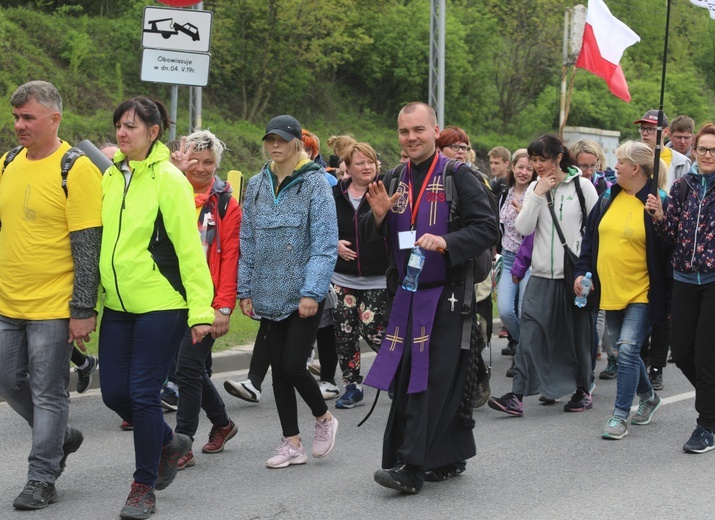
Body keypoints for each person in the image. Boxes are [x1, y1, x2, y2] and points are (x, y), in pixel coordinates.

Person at [362, 102, 498, 494]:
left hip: (447, 296)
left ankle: (412, 466)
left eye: (419, 130)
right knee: (410, 377)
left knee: (429, 380)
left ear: (435, 130)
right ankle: (448, 455)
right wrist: (379, 218)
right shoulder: (393, 178)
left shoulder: (459, 176)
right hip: (406, 295)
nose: (411, 138)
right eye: (404, 132)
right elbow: (376, 243)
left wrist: (447, 241)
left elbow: (487, 227)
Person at [98, 97, 215, 519]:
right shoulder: (111, 176)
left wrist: (201, 311)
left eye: (131, 126)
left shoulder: (169, 179)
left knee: (143, 394)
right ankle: (169, 442)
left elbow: (189, 249)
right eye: (118, 126)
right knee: (113, 393)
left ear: (153, 132)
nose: (122, 133)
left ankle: (142, 486)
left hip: (162, 303)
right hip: (118, 304)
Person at [0, 80, 102, 511]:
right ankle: (61, 436)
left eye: (29, 118)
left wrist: (81, 309)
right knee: (6, 381)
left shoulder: (75, 168)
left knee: (48, 393)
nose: (19, 125)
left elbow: (87, 244)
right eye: (16, 117)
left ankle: (42, 476)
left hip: (52, 306)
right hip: (7, 301)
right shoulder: (7, 162)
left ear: (54, 119)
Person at [238, 114, 339, 469]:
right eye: (270, 140)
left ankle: (324, 418)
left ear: (298, 141)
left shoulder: (316, 183)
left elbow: (325, 244)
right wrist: (244, 288)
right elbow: (247, 239)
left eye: (282, 139)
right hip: (267, 292)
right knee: (278, 371)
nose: (275, 145)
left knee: (294, 365)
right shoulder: (256, 184)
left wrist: (312, 291)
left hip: (303, 295)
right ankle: (291, 442)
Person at [488, 134, 598, 417]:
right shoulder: (535, 187)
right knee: (530, 334)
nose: (537, 165)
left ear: (558, 158)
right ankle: (516, 396)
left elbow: (595, 232)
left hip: (573, 276)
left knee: (576, 336)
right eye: (534, 159)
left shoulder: (583, 187)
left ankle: (582, 390)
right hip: (540, 274)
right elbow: (523, 228)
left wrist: (588, 273)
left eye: (542, 159)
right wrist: (537, 195)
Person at [575, 141, 670, 440]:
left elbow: (669, 250)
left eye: (620, 162)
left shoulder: (658, 201)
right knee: (622, 351)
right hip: (609, 289)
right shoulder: (607, 196)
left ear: (636, 168)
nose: (614, 167)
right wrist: (581, 272)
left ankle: (619, 415)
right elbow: (590, 240)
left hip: (642, 291)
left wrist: (660, 219)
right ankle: (649, 397)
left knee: (628, 349)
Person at [167, 130, 241, 471]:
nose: (200, 167)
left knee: (187, 368)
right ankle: (223, 423)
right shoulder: (170, 190)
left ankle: (182, 443)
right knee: (187, 369)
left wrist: (222, 308)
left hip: (206, 300)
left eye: (208, 162)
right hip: (168, 295)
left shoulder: (226, 202)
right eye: (194, 160)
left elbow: (230, 258)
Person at [646, 123, 715, 454]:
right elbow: (671, 235)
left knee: (704, 352)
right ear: (695, 152)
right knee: (682, 349)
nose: (707, 155)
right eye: (703, 149)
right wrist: (659, 216)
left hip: (714, 281)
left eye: (713, 150)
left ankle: (706, 425)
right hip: (685, 279)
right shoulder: (682, 186)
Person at [331, 142, 389, 409]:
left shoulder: (385, 191)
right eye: (360, 163)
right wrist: (334, 244)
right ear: (347, 168)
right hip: (342, 278)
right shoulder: (334, 194)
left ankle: (398, 373)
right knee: (344, 334)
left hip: (378, 276)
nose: (367, 167)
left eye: (370, 162)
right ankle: (352, 386)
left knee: (372, 328)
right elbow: (318, 227)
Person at [495, 151, 537, 378]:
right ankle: (526, 348)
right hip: (509, 258)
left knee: (523, 311)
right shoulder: (504, 193)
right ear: (512, 168)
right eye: (520, 167)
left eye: (529, 169)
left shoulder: (536, 195)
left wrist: (525, 214)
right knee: (505, 311)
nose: (523, 172)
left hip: (530, 260)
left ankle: (524, 357)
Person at [635, 110, 690, 189]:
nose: (644, 133)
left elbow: (685, 195)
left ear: (665, 132)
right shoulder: (633, 157)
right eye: (642, 128)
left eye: (650, 129)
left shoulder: (681, 162)